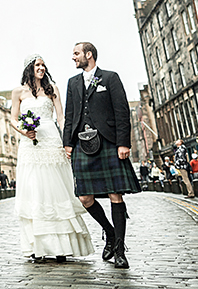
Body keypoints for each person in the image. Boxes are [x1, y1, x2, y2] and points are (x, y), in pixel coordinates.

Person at [62, 42, 140, 269]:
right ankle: (109, 230)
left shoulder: (110, 78)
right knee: (85, 197)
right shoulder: (73, 83)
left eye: (76, 53)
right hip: (81, 145)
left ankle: (120, 249)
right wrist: (68, 143)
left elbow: (122, 111)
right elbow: (70, 115)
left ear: (89, 54)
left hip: (108, 142)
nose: (73, 57)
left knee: (116, 195)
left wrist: (123, 143)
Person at [12, 53, 92, 264]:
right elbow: (13, 118)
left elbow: (61, 117)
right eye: (38, 65)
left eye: (44, 65)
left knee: (56, 190)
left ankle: (61, 248)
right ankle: (37, 248)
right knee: (35, 190)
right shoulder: (18, 92)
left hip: (51, 140)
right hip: (30, 143)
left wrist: (68, 141)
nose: (42, 68)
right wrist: (24, 131)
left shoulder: (53, 89)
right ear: (30, 67)